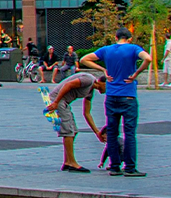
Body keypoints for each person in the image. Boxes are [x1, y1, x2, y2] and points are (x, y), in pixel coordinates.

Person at [82, 27, 152, 177]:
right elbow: (148, 58)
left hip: (111, 97)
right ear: (129, 38)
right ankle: (130, 167)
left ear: (115, 37)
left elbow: (84, 59)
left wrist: (102, 69)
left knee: (112, 133)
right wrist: (136, 73)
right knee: (129, 133)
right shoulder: (133, 48)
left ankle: (114, 166)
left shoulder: (107, 50)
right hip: (128, 96)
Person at [43, 68, 105, 172]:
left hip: (63, 103)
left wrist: (97, 132)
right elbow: (68, 85)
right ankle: (72, 163)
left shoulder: (90, 91)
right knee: (68, 132)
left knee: (74, 131)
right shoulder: (88, 80)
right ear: (102, 83)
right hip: (58, 100)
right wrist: (56, 102)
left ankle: (67, 162)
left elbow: (87, 113)